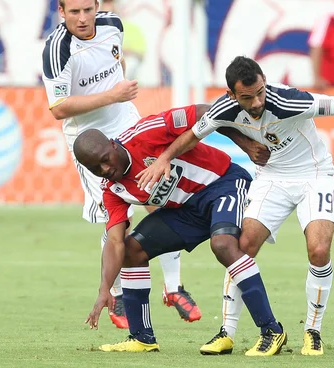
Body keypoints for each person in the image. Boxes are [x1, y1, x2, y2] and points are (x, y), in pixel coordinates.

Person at [136, 56, 334, 356]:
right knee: (240, 247)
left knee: (319, 250)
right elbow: (193, 134)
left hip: (314, 175)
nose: (256, 102)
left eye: (260, 92)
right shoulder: (223, 107)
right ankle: (227, 332)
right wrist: (164, 158)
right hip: (272, 178)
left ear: (265, 83)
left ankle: (312, 331)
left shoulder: (289, 101)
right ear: (232, 94)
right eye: (247, 98)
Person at [40, 0, 201, 329]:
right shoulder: (56, 49)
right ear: (61, 11)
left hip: (128, 125)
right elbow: (59, 108)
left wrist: (119, 94)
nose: (83, 18)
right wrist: (111, 95)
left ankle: (174, 287)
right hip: (89, 140)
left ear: (98, 7)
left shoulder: (112, 25)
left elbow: (116, 65)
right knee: (117, 219)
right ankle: (115, 296)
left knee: (162, 196)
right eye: (74, 12)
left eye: (88, 10)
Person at [78, 104, 287, 356]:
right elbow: (114, 242)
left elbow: (207, 112)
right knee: (131, 251)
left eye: (104, 160)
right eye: (95, 169)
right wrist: (104, 290)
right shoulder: (112, 188)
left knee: (223, 245)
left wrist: (243, 142)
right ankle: (142, 337)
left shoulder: (146, 133)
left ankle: (271, 330)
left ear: (112, 144)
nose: (105, 170)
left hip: (223, 183)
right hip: (187, 210)